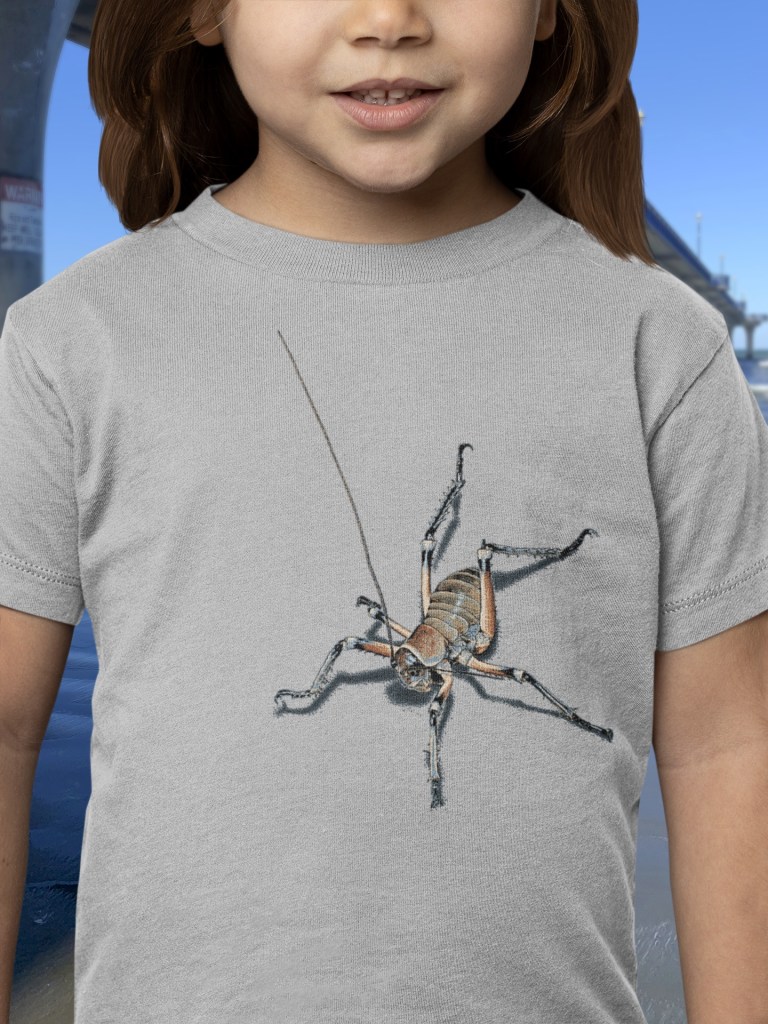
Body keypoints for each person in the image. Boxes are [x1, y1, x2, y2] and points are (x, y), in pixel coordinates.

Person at [0, 0, 766, 1021]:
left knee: (487, 607)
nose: (389, 16)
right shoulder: (70, 341)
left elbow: (725, 742)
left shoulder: (660, 343)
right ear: (201, 13)